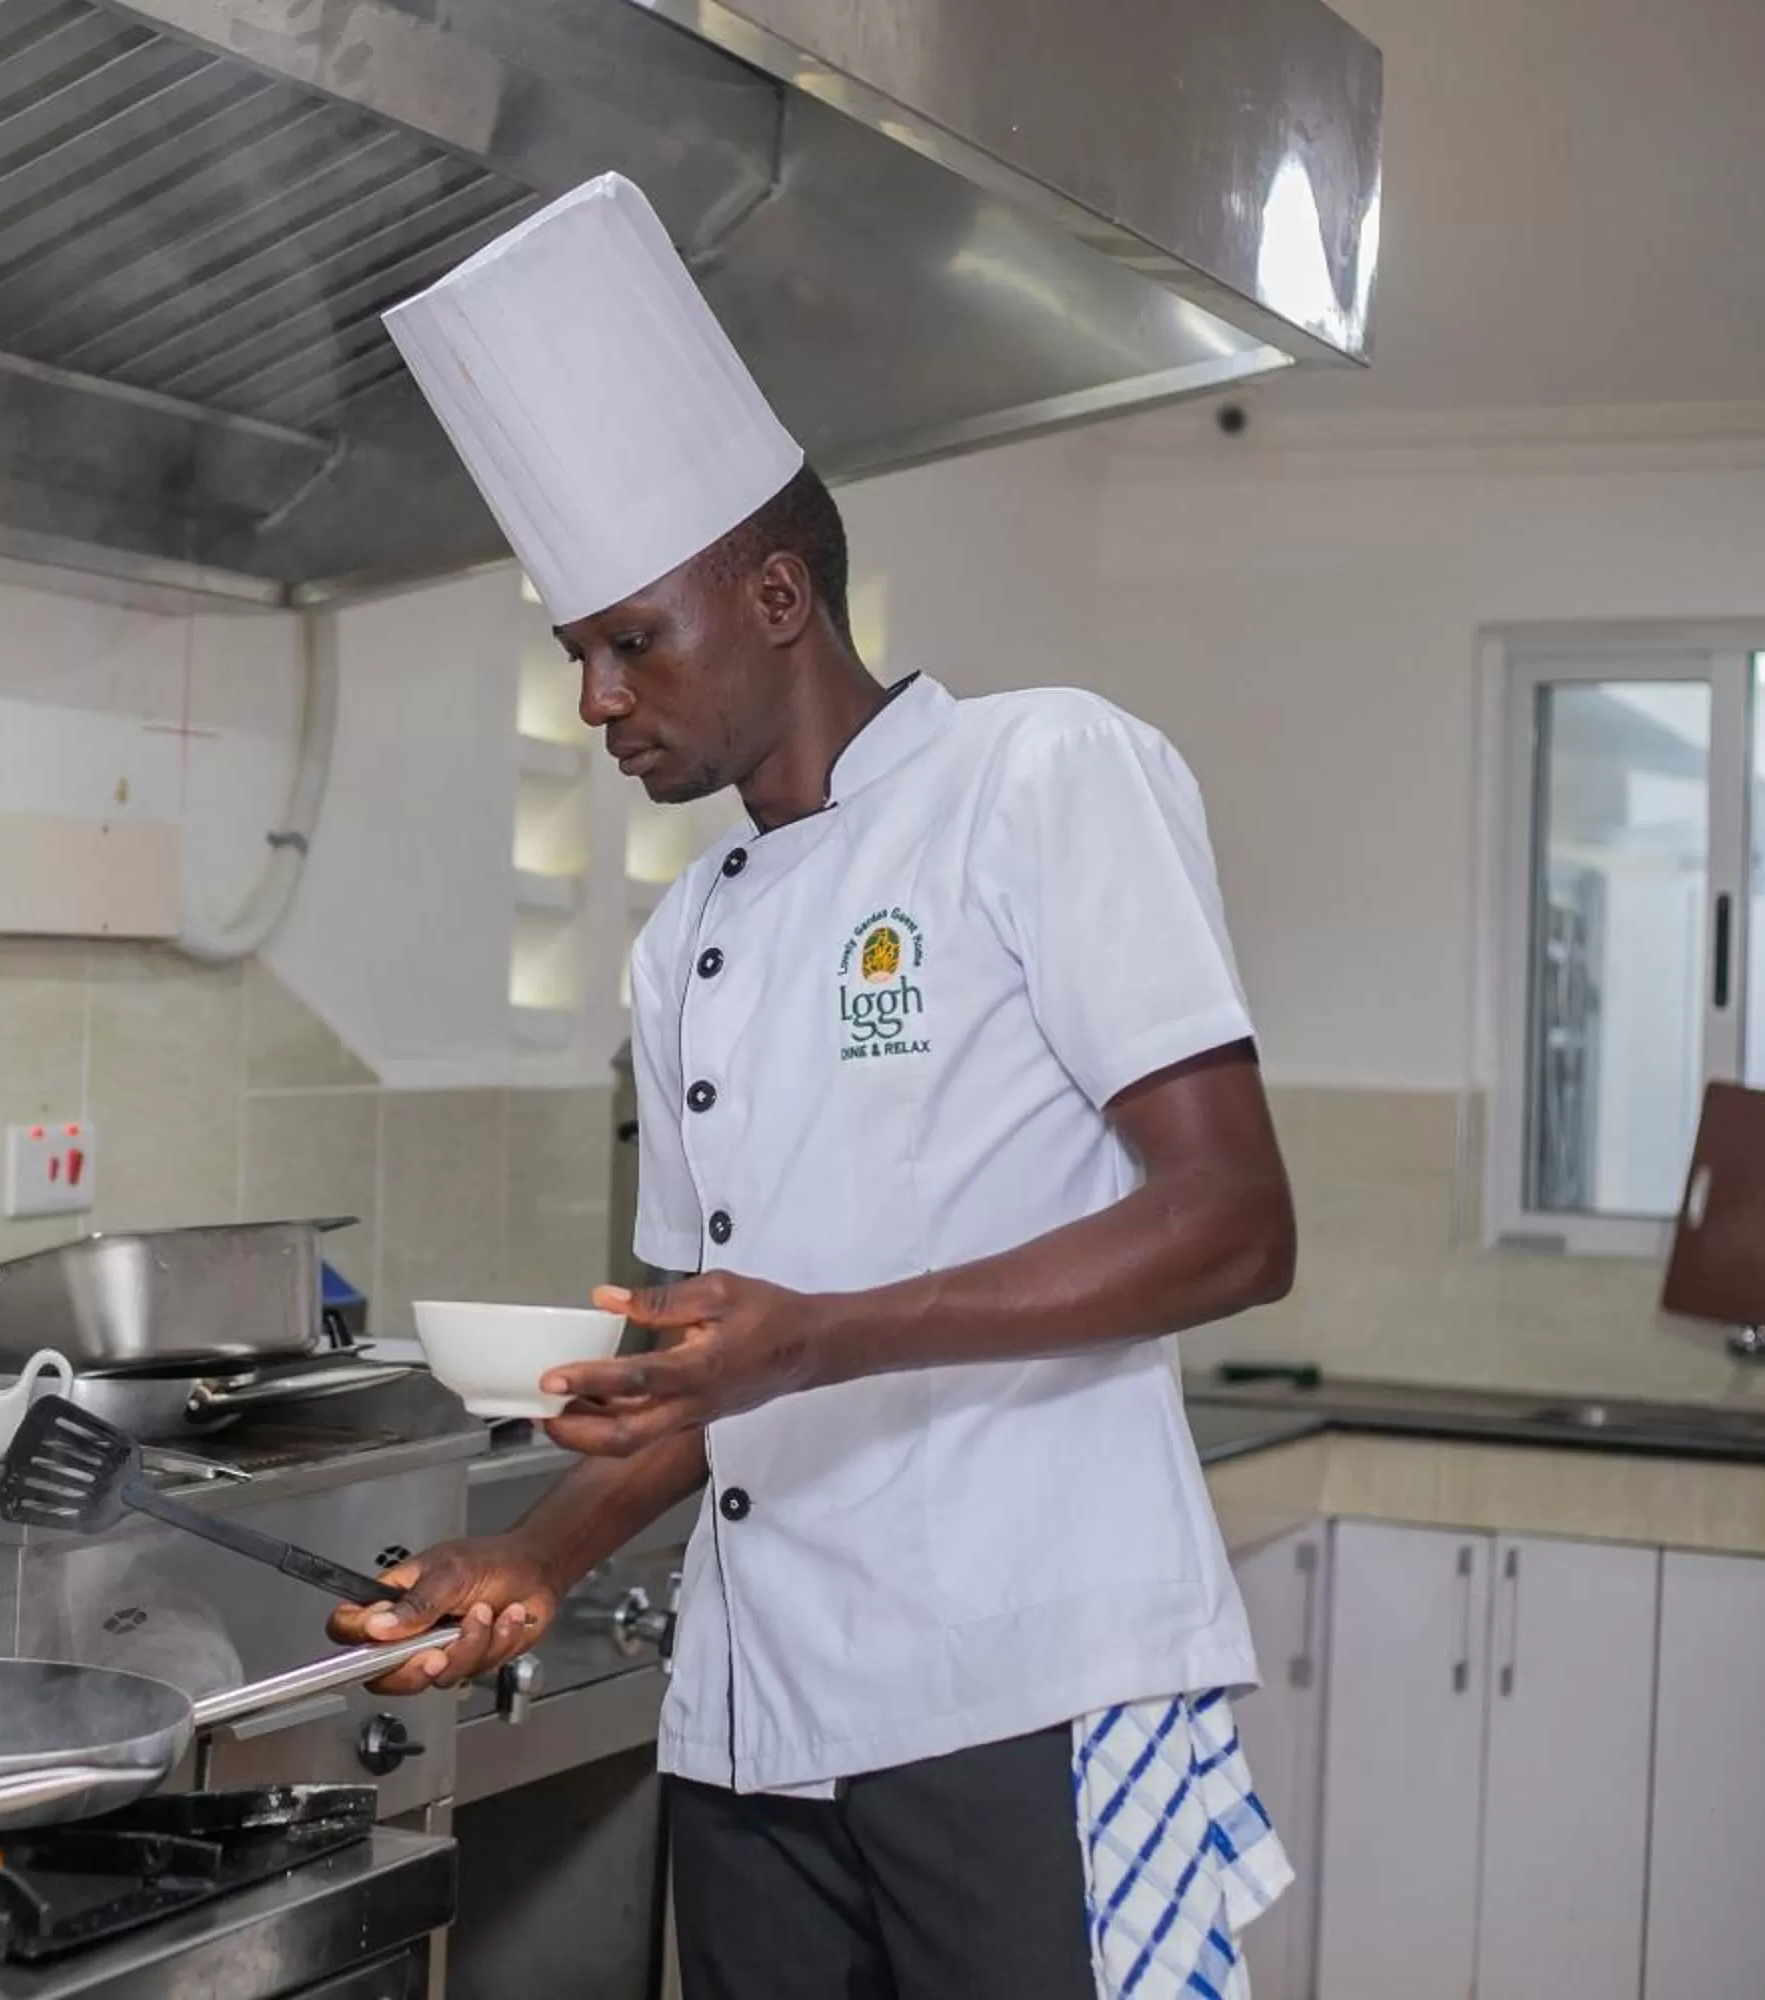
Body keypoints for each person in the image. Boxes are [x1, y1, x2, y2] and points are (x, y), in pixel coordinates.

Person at [335, 174, 1305, 1999]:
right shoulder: (684, 933)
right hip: (756, 1718)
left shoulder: (1038, 776)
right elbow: (702, 1367)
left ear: (777, 595)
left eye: (633, 641)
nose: (597, 701)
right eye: (577, 658)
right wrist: (533, 1554)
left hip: (1022, 1682)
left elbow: (1236, 1225)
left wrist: (820, 1338)